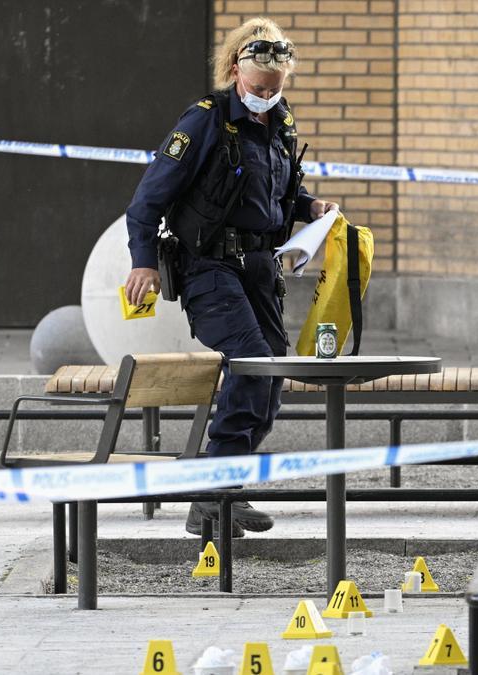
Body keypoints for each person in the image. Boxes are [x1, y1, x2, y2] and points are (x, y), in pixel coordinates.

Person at [123, 17, 338, 537]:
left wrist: (313, 208)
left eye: (275, 87)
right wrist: (143, 261)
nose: (265, 95)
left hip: (261, 269)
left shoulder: (282, 123)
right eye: (257, 87)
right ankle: (213, 493)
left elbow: (276, 198)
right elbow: (145, 203)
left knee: (269, 378)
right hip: (209, 268)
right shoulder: (204, 121)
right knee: (250, 359)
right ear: (236, 70)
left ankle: (223, 487)